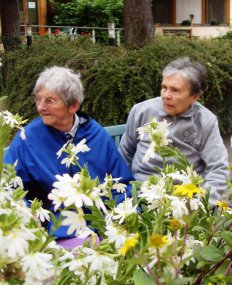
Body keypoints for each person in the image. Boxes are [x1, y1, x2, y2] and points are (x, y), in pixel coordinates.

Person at [4, 66, 134, 240]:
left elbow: (123, 184)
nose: (41, 107)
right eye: (38, 99)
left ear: (73, 105)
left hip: (102, 229)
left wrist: (125, 220)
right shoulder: (27, 139)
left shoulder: (97, 136)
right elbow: (8, 187)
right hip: (53, 235)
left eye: (50, 100)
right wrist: (32, 221)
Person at [119, 57, 228, 204]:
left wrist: (199, 206)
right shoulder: (142, 111)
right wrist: (123, 195)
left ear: (194, 97)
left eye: (175, 90)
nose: (166, 96)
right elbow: (124, 155)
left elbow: (218, 170)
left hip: (182, 202)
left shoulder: (205, 121)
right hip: (140, 196)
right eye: (164, 88)